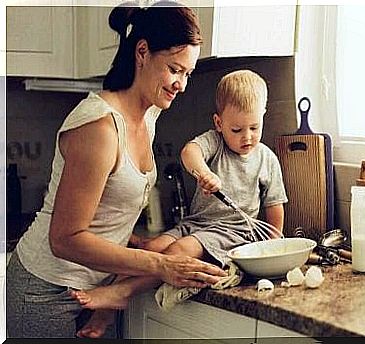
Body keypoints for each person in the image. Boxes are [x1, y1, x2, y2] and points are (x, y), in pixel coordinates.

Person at [6, 1, 227, 339]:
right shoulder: (99, 126)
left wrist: (135, 241)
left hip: (99, 285)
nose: (181, 83)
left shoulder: (149, 114)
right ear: (142, 52)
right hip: (44, 291)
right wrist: (161, 265)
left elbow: (105, 209)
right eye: (174, 69)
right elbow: (64, 239)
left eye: (187, 73)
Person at [69, 69, 289, 335]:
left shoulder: (266, 159)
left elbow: (275, 209)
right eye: (237, 129)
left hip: (232, 232)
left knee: (177, 251)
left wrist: (273, 252)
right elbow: (190, 152)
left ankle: (124, 291)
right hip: (196, 224)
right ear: (219, 123)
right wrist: (203, 173)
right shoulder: (214, 143)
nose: (248, 137)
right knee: (151, 248)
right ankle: (106, 312)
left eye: (255, 128)